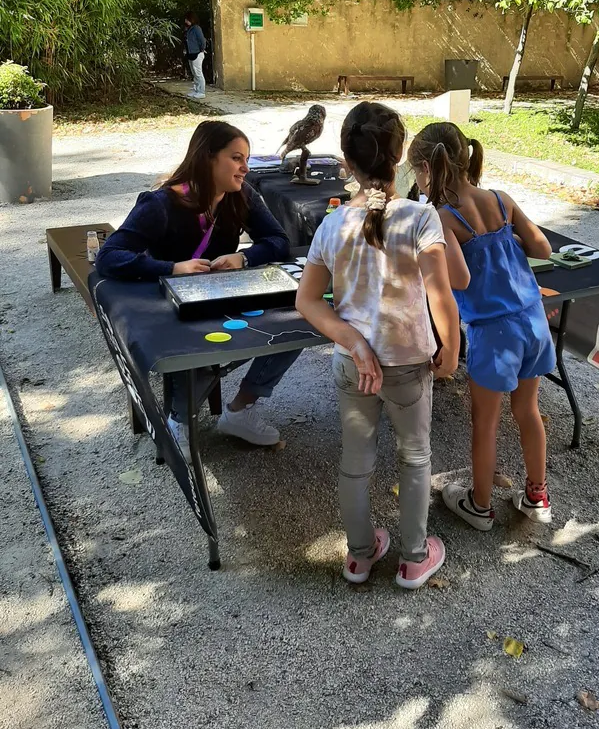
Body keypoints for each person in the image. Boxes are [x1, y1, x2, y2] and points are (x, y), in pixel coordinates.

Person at [296, 102, 468, 590]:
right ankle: (415, 559)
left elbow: (308, 301)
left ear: (346, 162)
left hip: (353, 367)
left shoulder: (332, 225)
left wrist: (353, 339)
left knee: (355, 462)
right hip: (409, 365)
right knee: (415, 457)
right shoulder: (420, 218)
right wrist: (450, 346)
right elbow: (442, 292)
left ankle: (359, 556)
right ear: (399, 158)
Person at [96, 120, 298, 462]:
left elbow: (279, 241)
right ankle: (179, 420)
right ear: (208, 158)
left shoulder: (241, 194)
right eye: (236, 158)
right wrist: (172, 268)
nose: (245, 168)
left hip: (225, 300)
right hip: (175, 312)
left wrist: (244, 257)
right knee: (199, 352)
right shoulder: (161, 203)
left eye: (245, 159)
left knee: (295, 325)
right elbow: (109, 256)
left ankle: (240, 409)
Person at [408, 122, 556, 530]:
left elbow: (459, 280)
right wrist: (502, 245)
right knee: (528, 410)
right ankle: (536, 495)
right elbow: (542, 248)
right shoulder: (501, 199)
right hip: (532, 321)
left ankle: (480, 505)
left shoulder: (443, 216)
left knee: (485, 423)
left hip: (494, 334)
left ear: (425, 169)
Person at [184, 12, 207, 100]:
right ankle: (196, 90)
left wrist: (201, 49)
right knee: (194, 73)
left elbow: (202, 40)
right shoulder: (188, 29)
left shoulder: (196, 28)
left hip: (197, 53)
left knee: (198, 73)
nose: (185, 21)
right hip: (190, 53)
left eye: (187, 19)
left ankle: (201, 91)